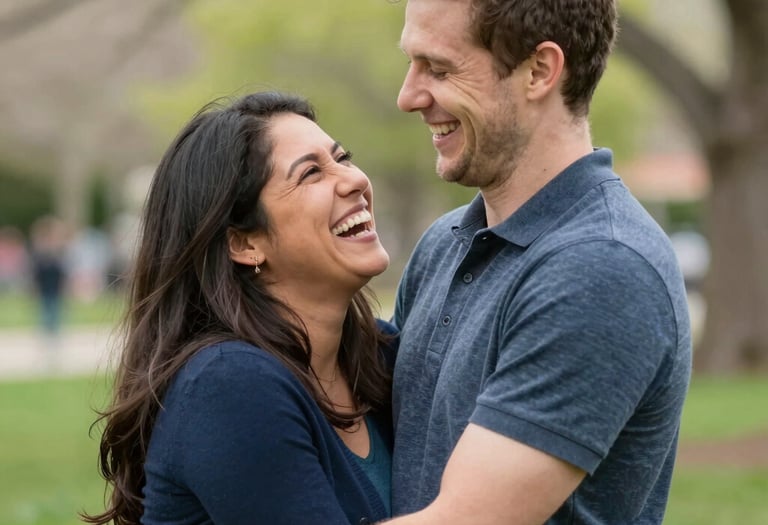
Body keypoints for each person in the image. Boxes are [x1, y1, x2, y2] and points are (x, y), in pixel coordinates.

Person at [385, 0, 692, 524]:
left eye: (439, 68)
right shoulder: (446, 242)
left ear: (539, 70)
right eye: (411, 64)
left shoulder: (602, 268)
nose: (408, 96)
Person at [82, 91, 395, 525]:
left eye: (343, 158)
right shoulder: (228, 386)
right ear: (244, 243)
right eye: (311, 173)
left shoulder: (384, 359)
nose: (353, 179)